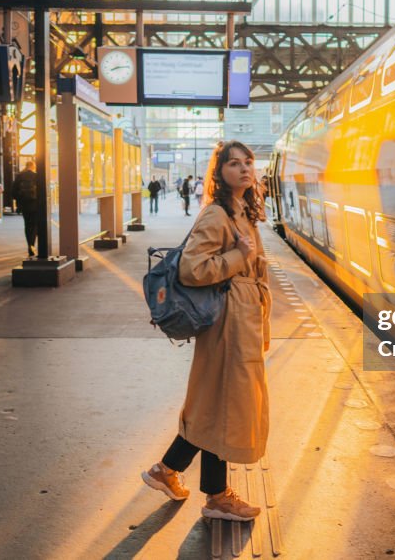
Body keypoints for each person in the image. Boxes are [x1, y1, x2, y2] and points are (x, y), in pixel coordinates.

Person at [141, 141, 272, 522]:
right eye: (234, 163)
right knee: (224, 407)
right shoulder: (217, 215)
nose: (244, 168)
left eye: (248, 162)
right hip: (228, 324)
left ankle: (167, 471)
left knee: (217, 405)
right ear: (220, 172)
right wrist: (238, 257)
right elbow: (192, 270)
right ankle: (215, 496)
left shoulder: (241, 212)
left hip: (240, 321)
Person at [11, 160, 39, 257]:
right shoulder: (36, 176)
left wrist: (19, 200)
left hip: (24, 205)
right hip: (35, 204)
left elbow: (13, 191)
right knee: (35, 224)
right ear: (33, 167)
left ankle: (29, 245)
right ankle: (32, 245)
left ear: (26, 166)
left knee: (27, 225)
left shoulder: (19, 176)